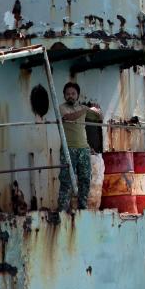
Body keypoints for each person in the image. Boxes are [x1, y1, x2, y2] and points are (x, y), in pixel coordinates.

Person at [58, 82, 101, 211]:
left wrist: (97, 110)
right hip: (68, 149)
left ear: (77, 95)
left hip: (83, 148)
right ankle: (63, 210)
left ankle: (82, 208)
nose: (70, 96)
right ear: (64, 96)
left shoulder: (83, 108)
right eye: (68, 94)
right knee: (66, 180)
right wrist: (85, 109)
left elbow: (99, 117)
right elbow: (69, 117)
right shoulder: (62, 107)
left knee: (85, 179)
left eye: (73, 94)